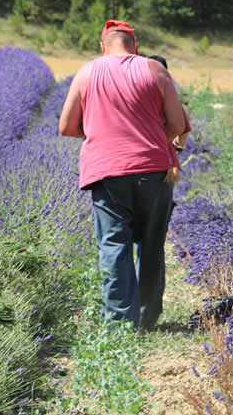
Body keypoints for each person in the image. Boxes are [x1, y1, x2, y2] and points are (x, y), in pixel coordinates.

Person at [59, 20, 188, 331]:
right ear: (135, 46)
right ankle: (146, 319)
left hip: (107, 172)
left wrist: (102, 135)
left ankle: (119, 324)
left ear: (103, 46)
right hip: (155, 170)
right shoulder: (155, 71)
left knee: (114, 244)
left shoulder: (87, 72)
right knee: (151, 243)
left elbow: (66, 127)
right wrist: (153, 137)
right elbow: (178, 123)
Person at [148, 54, 191, 183]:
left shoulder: (135, 97)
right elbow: (183, 129)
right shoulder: (170, 99)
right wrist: (177, 148)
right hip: (166, 164)